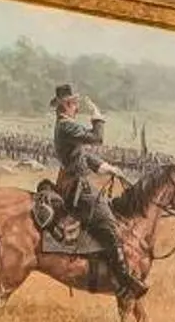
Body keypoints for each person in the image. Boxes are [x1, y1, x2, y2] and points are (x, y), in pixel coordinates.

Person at [46, 83, 133, 299]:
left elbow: (81, 156)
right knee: (109, 224)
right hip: (77, 187)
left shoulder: (66, 126)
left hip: (74, 182)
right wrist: (97, 117)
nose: (77, 107)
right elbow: (96, 138)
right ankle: (124, 280)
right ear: (66, 105)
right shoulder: (66, 126)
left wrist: (107, 167)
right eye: (74, 103)